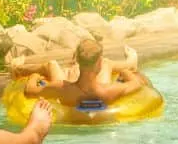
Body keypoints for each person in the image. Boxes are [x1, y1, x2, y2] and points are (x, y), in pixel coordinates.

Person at [10, 37, 146, 108]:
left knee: (51, 65)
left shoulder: (61, 88)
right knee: (111, 64)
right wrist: (124, 71)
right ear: (98, 63)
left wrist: (34, 77)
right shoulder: (110, 90)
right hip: (97, 85)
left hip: (71, 90)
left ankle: (17, 68)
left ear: (77, 61)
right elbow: (137, 83)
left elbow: (29, 91)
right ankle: (131, 61)